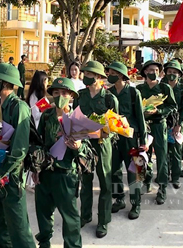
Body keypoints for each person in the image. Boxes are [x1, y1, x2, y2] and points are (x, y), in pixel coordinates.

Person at [0, 63, 36, 248]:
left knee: (19, 227)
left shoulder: (19, 108)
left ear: (5, 82)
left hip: (12, 176)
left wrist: (3, 173)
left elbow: (20, 150)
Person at [34, 78, 84, 248]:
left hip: (66, 174)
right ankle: (44, 242)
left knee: (70, 217)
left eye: (64, 93)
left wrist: (79, 147)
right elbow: (38, 142)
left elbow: (89, 151)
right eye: (56, 93)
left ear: (71, 96)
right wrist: (36, 168)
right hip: (46, 171)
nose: (60, 96)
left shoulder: (78, 118)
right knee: (43, 213)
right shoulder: (46, 115)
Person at [74, 60, 118, 238]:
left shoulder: (109, 98)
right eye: (85, 73)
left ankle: (103, 220)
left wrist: (106, 134)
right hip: (85, 144)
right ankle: (85, 215)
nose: (87, 77)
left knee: (105, 182)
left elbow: (117, 126)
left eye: (91, 74)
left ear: (99, 77)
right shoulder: (80, 95)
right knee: (85, 181)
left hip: (102, 145)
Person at [107, 61, 146, 220]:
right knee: (114, 170)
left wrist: (143, 140)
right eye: (109, 72)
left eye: (112, 72)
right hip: (114, 138)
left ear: (121, 75)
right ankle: (119, 198)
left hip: (131, 138)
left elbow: (140, 117)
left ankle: (136, 203)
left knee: (134, 171)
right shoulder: (108, 93)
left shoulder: (132, 93)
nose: (109, 75)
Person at [136, 60, 177, 205]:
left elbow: (172, 106)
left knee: (161, 157)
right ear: (144, 73)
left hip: (159, 125)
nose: (152, 73)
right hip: (145, 127)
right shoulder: (139, 89)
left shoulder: (164, 88)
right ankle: (146, 182)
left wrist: (158, 111)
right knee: (143, 156)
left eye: (155, 70)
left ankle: (162, 188)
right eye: (149, 70)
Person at [163, 61, 183, 190]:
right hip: (163, 123)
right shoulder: (161, 87)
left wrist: (179, 125)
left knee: (176, 152)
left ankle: (175, 177)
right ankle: (164, 174)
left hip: (177, 125)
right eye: (169, 72)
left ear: (179, 74)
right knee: (163, 151)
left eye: (174, 72)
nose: (172, 74)